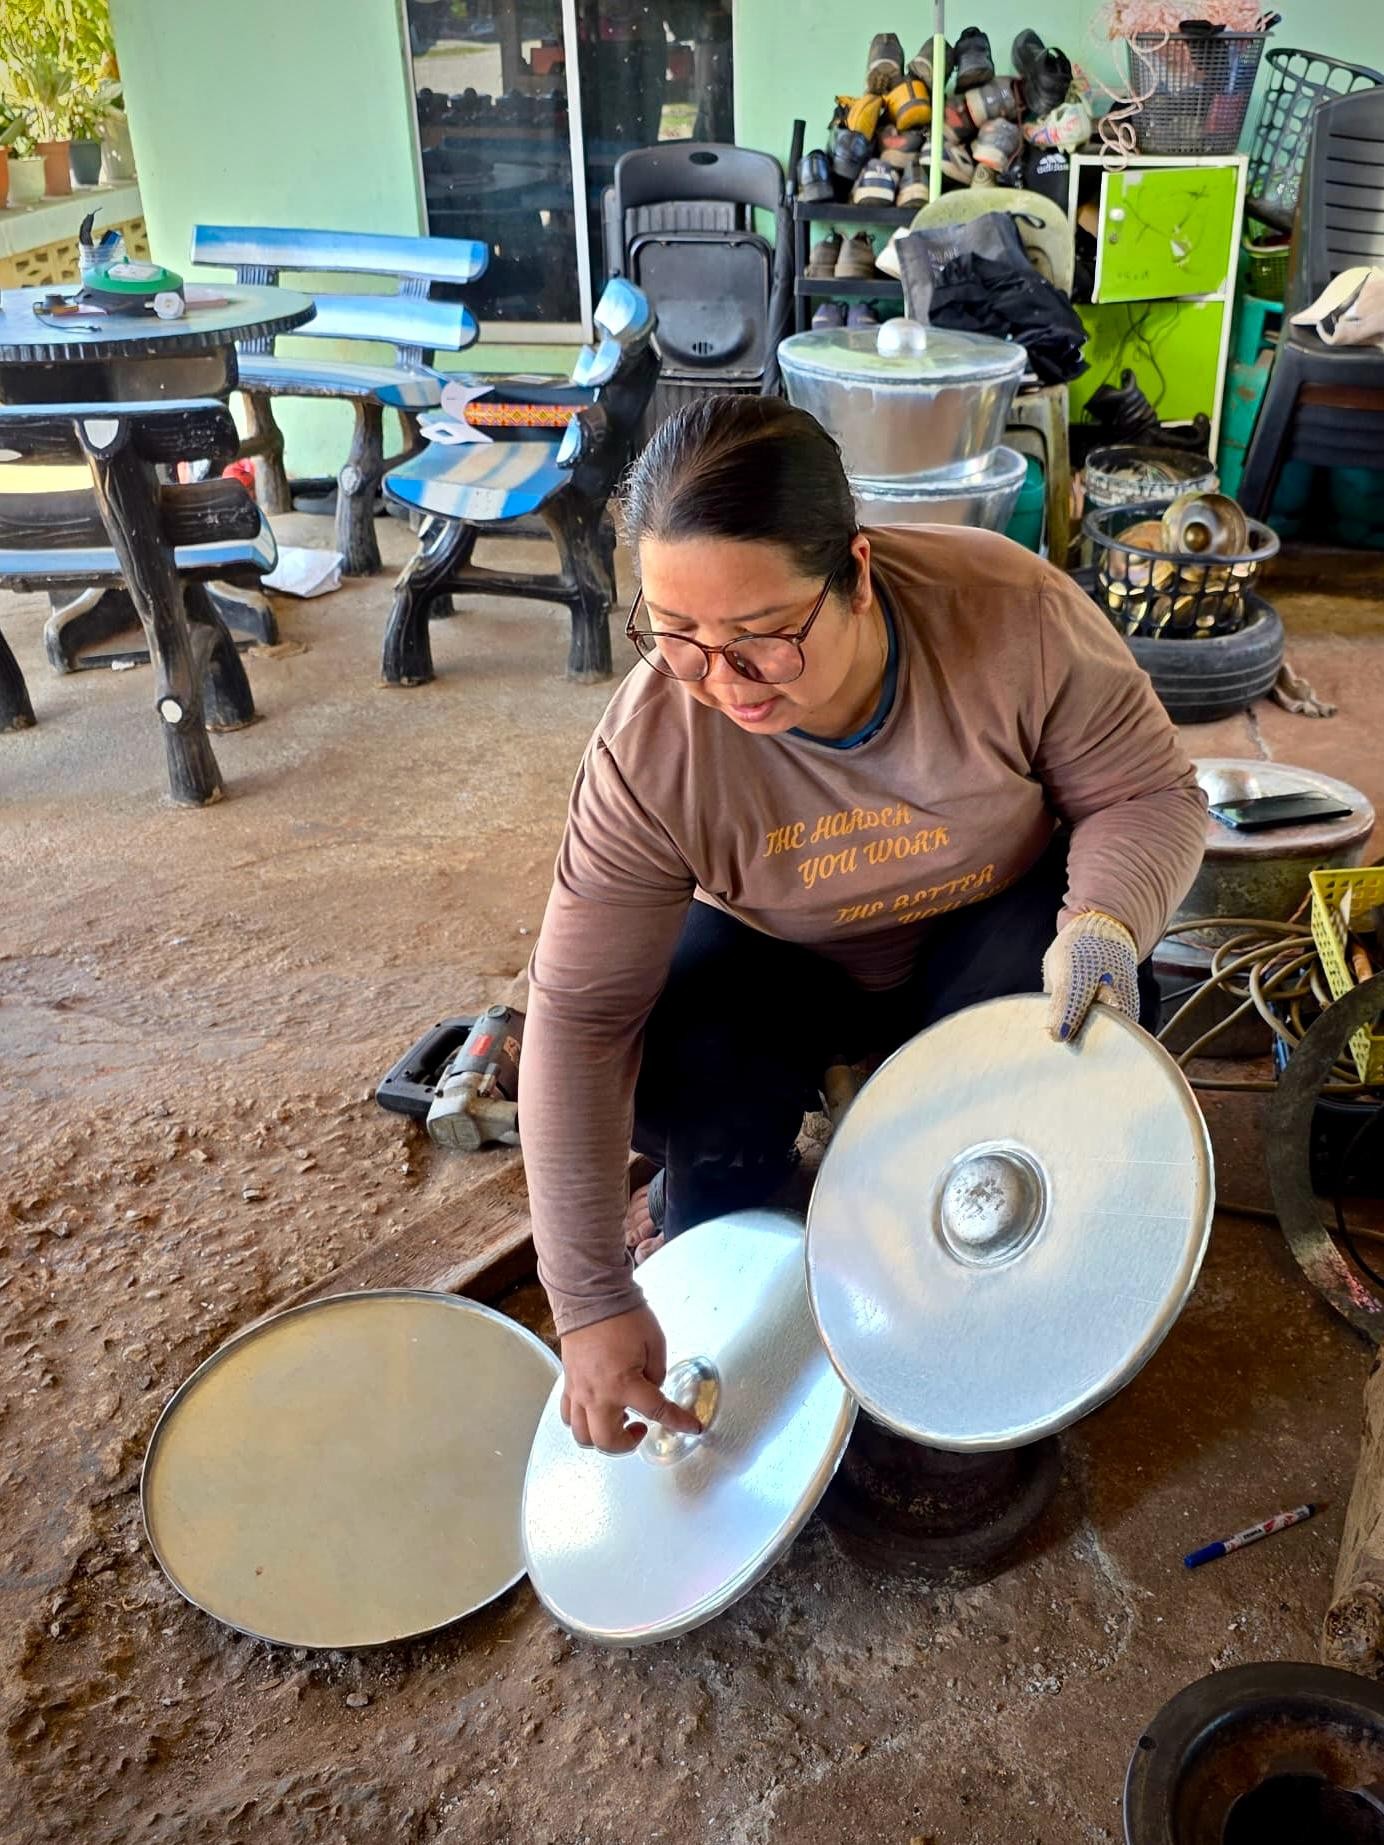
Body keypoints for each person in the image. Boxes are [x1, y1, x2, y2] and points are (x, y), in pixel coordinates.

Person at [519, 394, 1206, 1455]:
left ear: (858, 574)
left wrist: (1106, 925)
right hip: (780, 968)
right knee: (678, 1061)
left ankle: (997, 1255)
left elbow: (1146, 794)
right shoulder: (654, 746)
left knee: (1072, 1030)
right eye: (676, 637)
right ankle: (744, 1190)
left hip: (982, 941)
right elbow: (579, 1015)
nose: (721, 684)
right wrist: (587, 1299)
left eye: (759, 639)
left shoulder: (1010, 613)